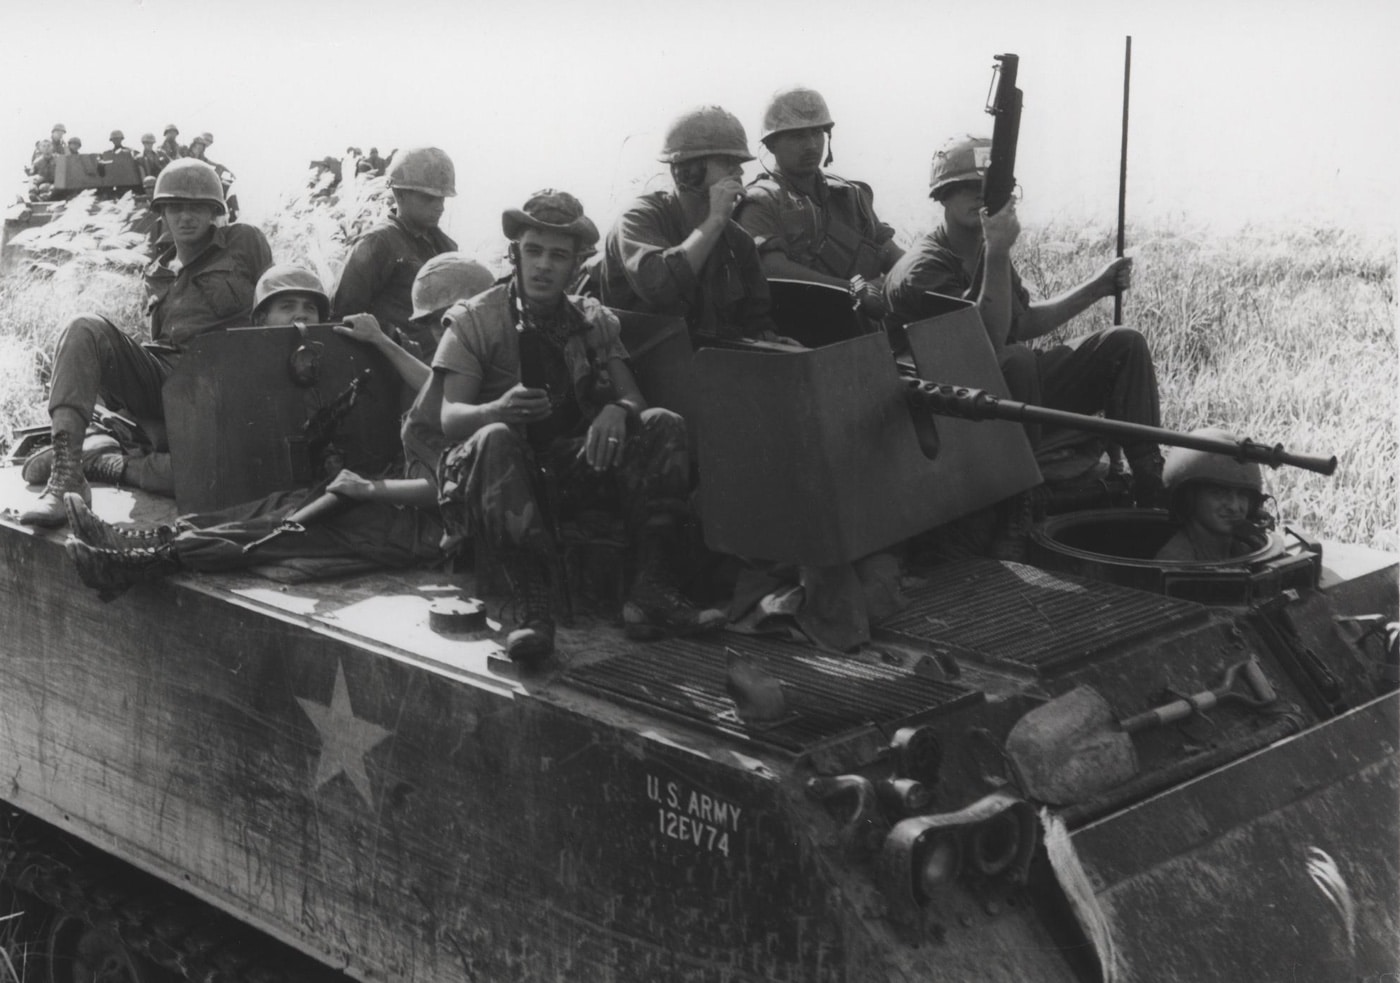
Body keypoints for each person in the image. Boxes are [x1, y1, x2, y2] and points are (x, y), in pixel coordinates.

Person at [61, 260, 497, 595]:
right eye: (436, 326)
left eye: (451, 326)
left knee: (283, 530)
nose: (440, 337)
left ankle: (149, 559)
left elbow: (442, 486)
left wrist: (368, 490)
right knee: (278, 505)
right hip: (400, 505)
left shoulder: (487, 398)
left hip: (427, 526)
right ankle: (139, 542)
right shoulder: (469, 381)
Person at [420, 189, 724, 666]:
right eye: (533, 251)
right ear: (515, 254)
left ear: (575, 262)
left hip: (565, 465)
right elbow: (450, 417)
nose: (543, 266)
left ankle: (650, 592)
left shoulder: (590, 320)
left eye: (558, 256)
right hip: (492, 477)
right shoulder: (477, 319)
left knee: (661, 424)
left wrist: (618, 411)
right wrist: (496, 409)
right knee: (496, 438)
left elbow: (634, 398)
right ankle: (531, 606)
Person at [884, 135, 1166, 507]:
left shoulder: (984, 250)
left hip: (1005, 394)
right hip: (947, 406)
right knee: (1017, 359)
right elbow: (985, 343)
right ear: (942, 196)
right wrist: (999, 251)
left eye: (988, 188)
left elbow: (1023, 321)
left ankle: (1150, 481)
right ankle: (1023, 498)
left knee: (1123, 342)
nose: (979, 196)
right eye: (966, 187)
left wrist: (1098, 288)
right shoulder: (922, 269)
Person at [18, 159, 272, 526]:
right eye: (175, 207)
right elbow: (160, 347)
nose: (186, 217)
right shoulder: (158, 270)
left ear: (215, 211)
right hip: (170, 383)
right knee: (83, 327)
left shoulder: (244, 242)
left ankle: (106, 461)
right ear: (162, 213)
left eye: (197, 207)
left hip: (227, 386)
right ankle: (67, 475)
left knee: (220, 480)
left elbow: (271, 311)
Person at [594, 106, 783, 345]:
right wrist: (714, 221)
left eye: (738, 162)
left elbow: (755, 320)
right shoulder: (638, 219)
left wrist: (770, 339)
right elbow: (660, 287)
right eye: (727, 162)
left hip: (712, 367)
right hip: (644, 366)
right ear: (688, 171)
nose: (739, 171)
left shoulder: (737, 241)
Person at [735, 86, 902, 319]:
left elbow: (891, 254)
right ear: (771, 144)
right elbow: (771, 268)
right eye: (798, 136)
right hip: (801, 329)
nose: (811, 145)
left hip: (866, 329)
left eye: (817, 133)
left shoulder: (850, 195)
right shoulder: (761, 201)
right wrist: (853, 290)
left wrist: (906, 275)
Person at [331, 146, 458, 360]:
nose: (440, 207)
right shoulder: (378, 243)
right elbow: (343, 315)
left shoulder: (444, 246)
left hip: (437, 367)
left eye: (442, 198)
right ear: (400, 194)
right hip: (393, 370)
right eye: (429, 198)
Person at [1154, 431, 1267, 562]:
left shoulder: (1245, 547)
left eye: (1242, 494)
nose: (1234, 507)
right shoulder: (1176, 562)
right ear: (1188, 499)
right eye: (1219, 493)